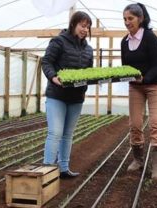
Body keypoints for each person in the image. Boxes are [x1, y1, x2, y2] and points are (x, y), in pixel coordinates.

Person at [41, 11, 93, 179]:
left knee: (68, 134)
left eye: (88, 27)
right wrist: (53, 77)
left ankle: (63, 168)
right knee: (55, 132)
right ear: (73, 24)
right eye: (82, 25)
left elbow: (89, 72)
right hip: (57, 95)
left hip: (76, 98)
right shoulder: (59, 41)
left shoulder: (88, 49)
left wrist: (91, 82)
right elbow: (46, 61)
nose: (85, 29)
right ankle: (47, 170)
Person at [121, 3, 157, 179]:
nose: (127, 22)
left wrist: (145, 79)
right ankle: (138, 160)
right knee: (135, 124)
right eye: (125, 19)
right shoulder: (124, 42)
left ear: (140, 19)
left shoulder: (150, 38)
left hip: (155, 85)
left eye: (130, 18)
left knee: (155, 122)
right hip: (135, 88)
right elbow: (125, 67)